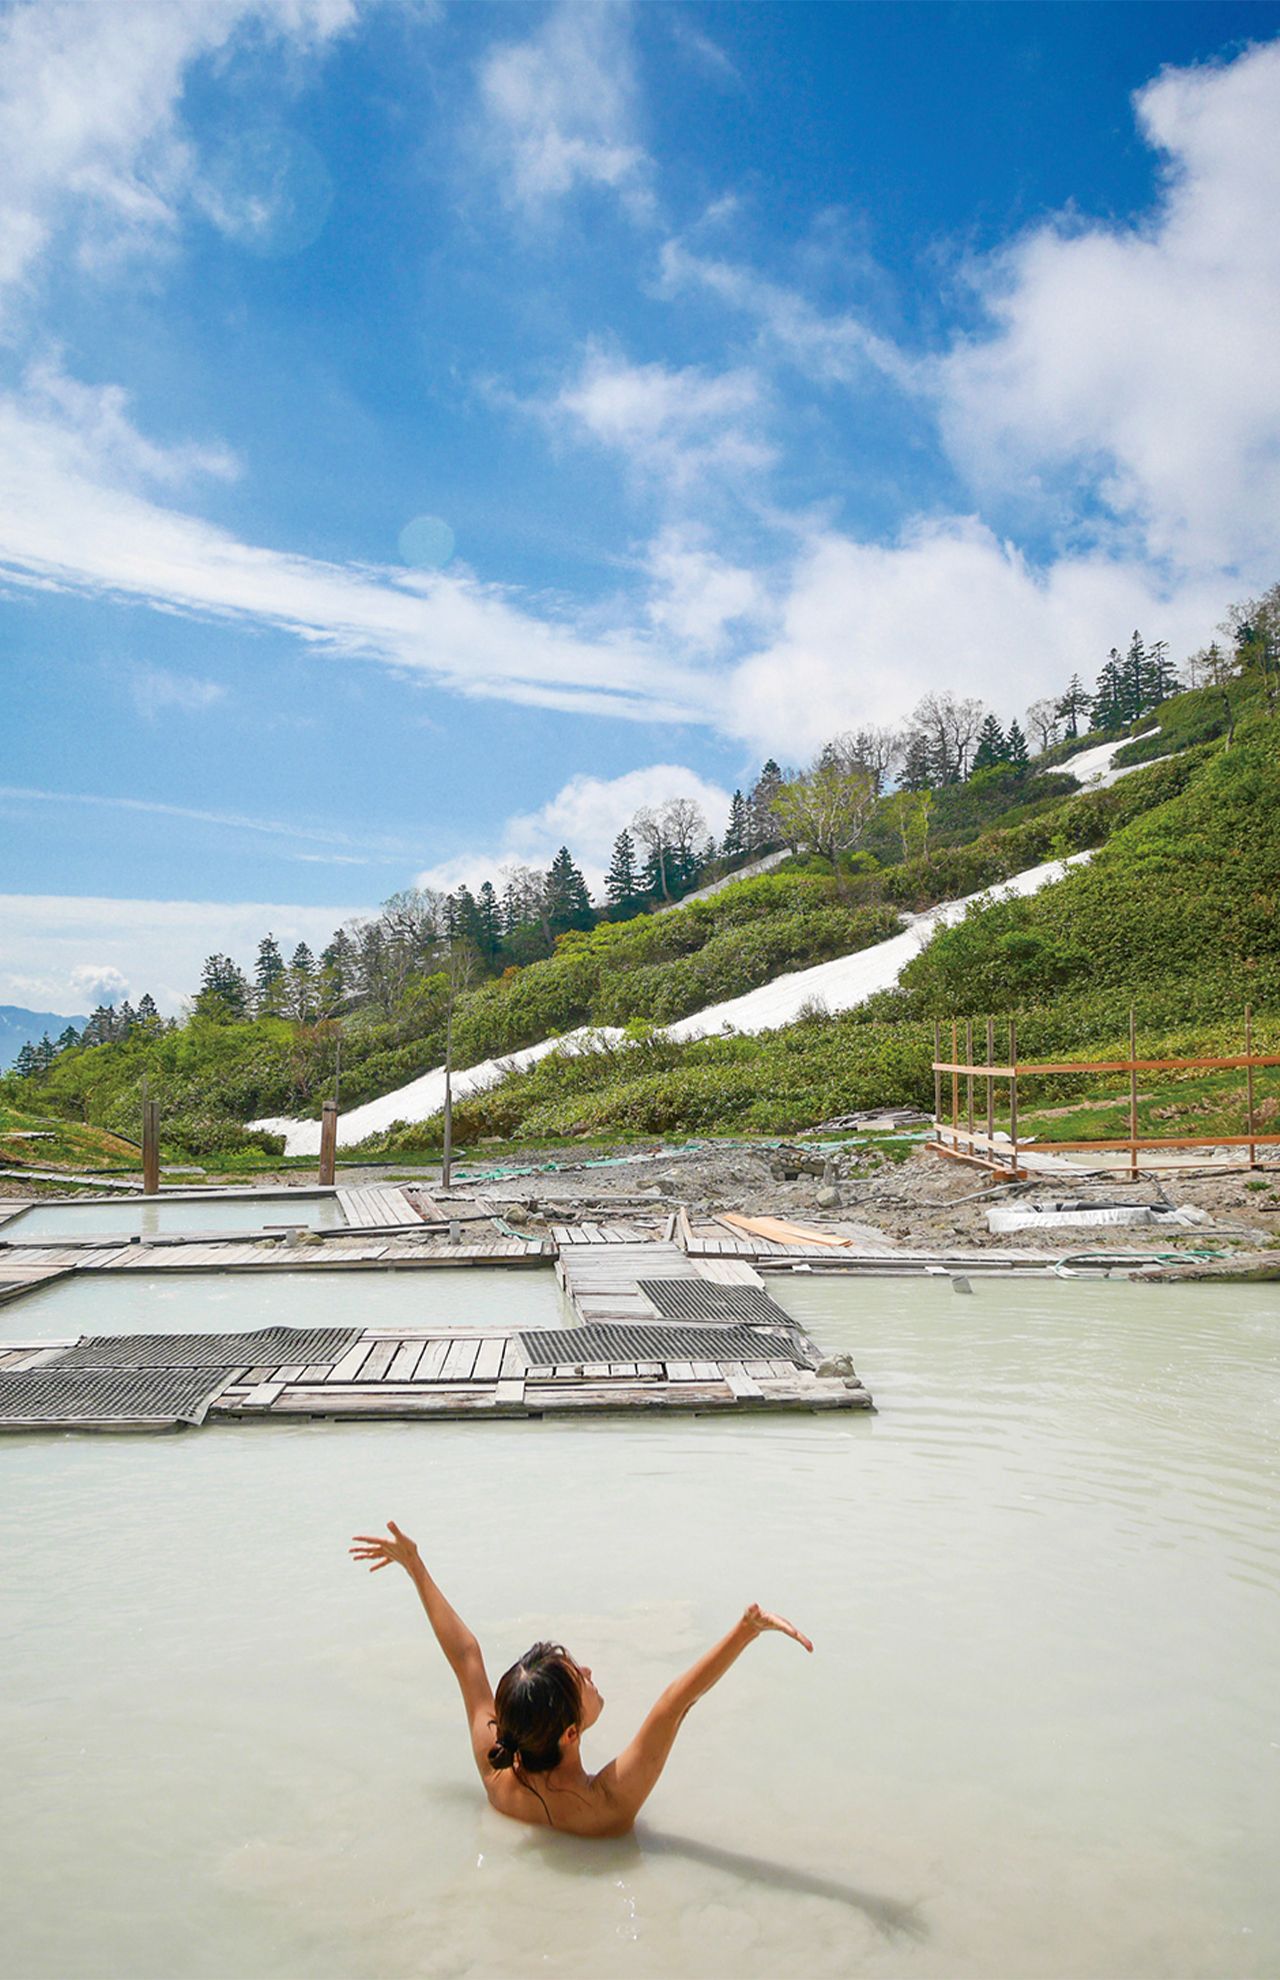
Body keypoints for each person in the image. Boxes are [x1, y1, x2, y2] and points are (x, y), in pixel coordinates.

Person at [349, 1519, 813, 1839]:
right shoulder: (608, 1806)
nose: (590, 1673)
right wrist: (746, 1630)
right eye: (580, 1679)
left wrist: (416, 1567)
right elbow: (675, 1704)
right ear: (570, 1733)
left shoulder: (496, 1772)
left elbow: (466, 1656)